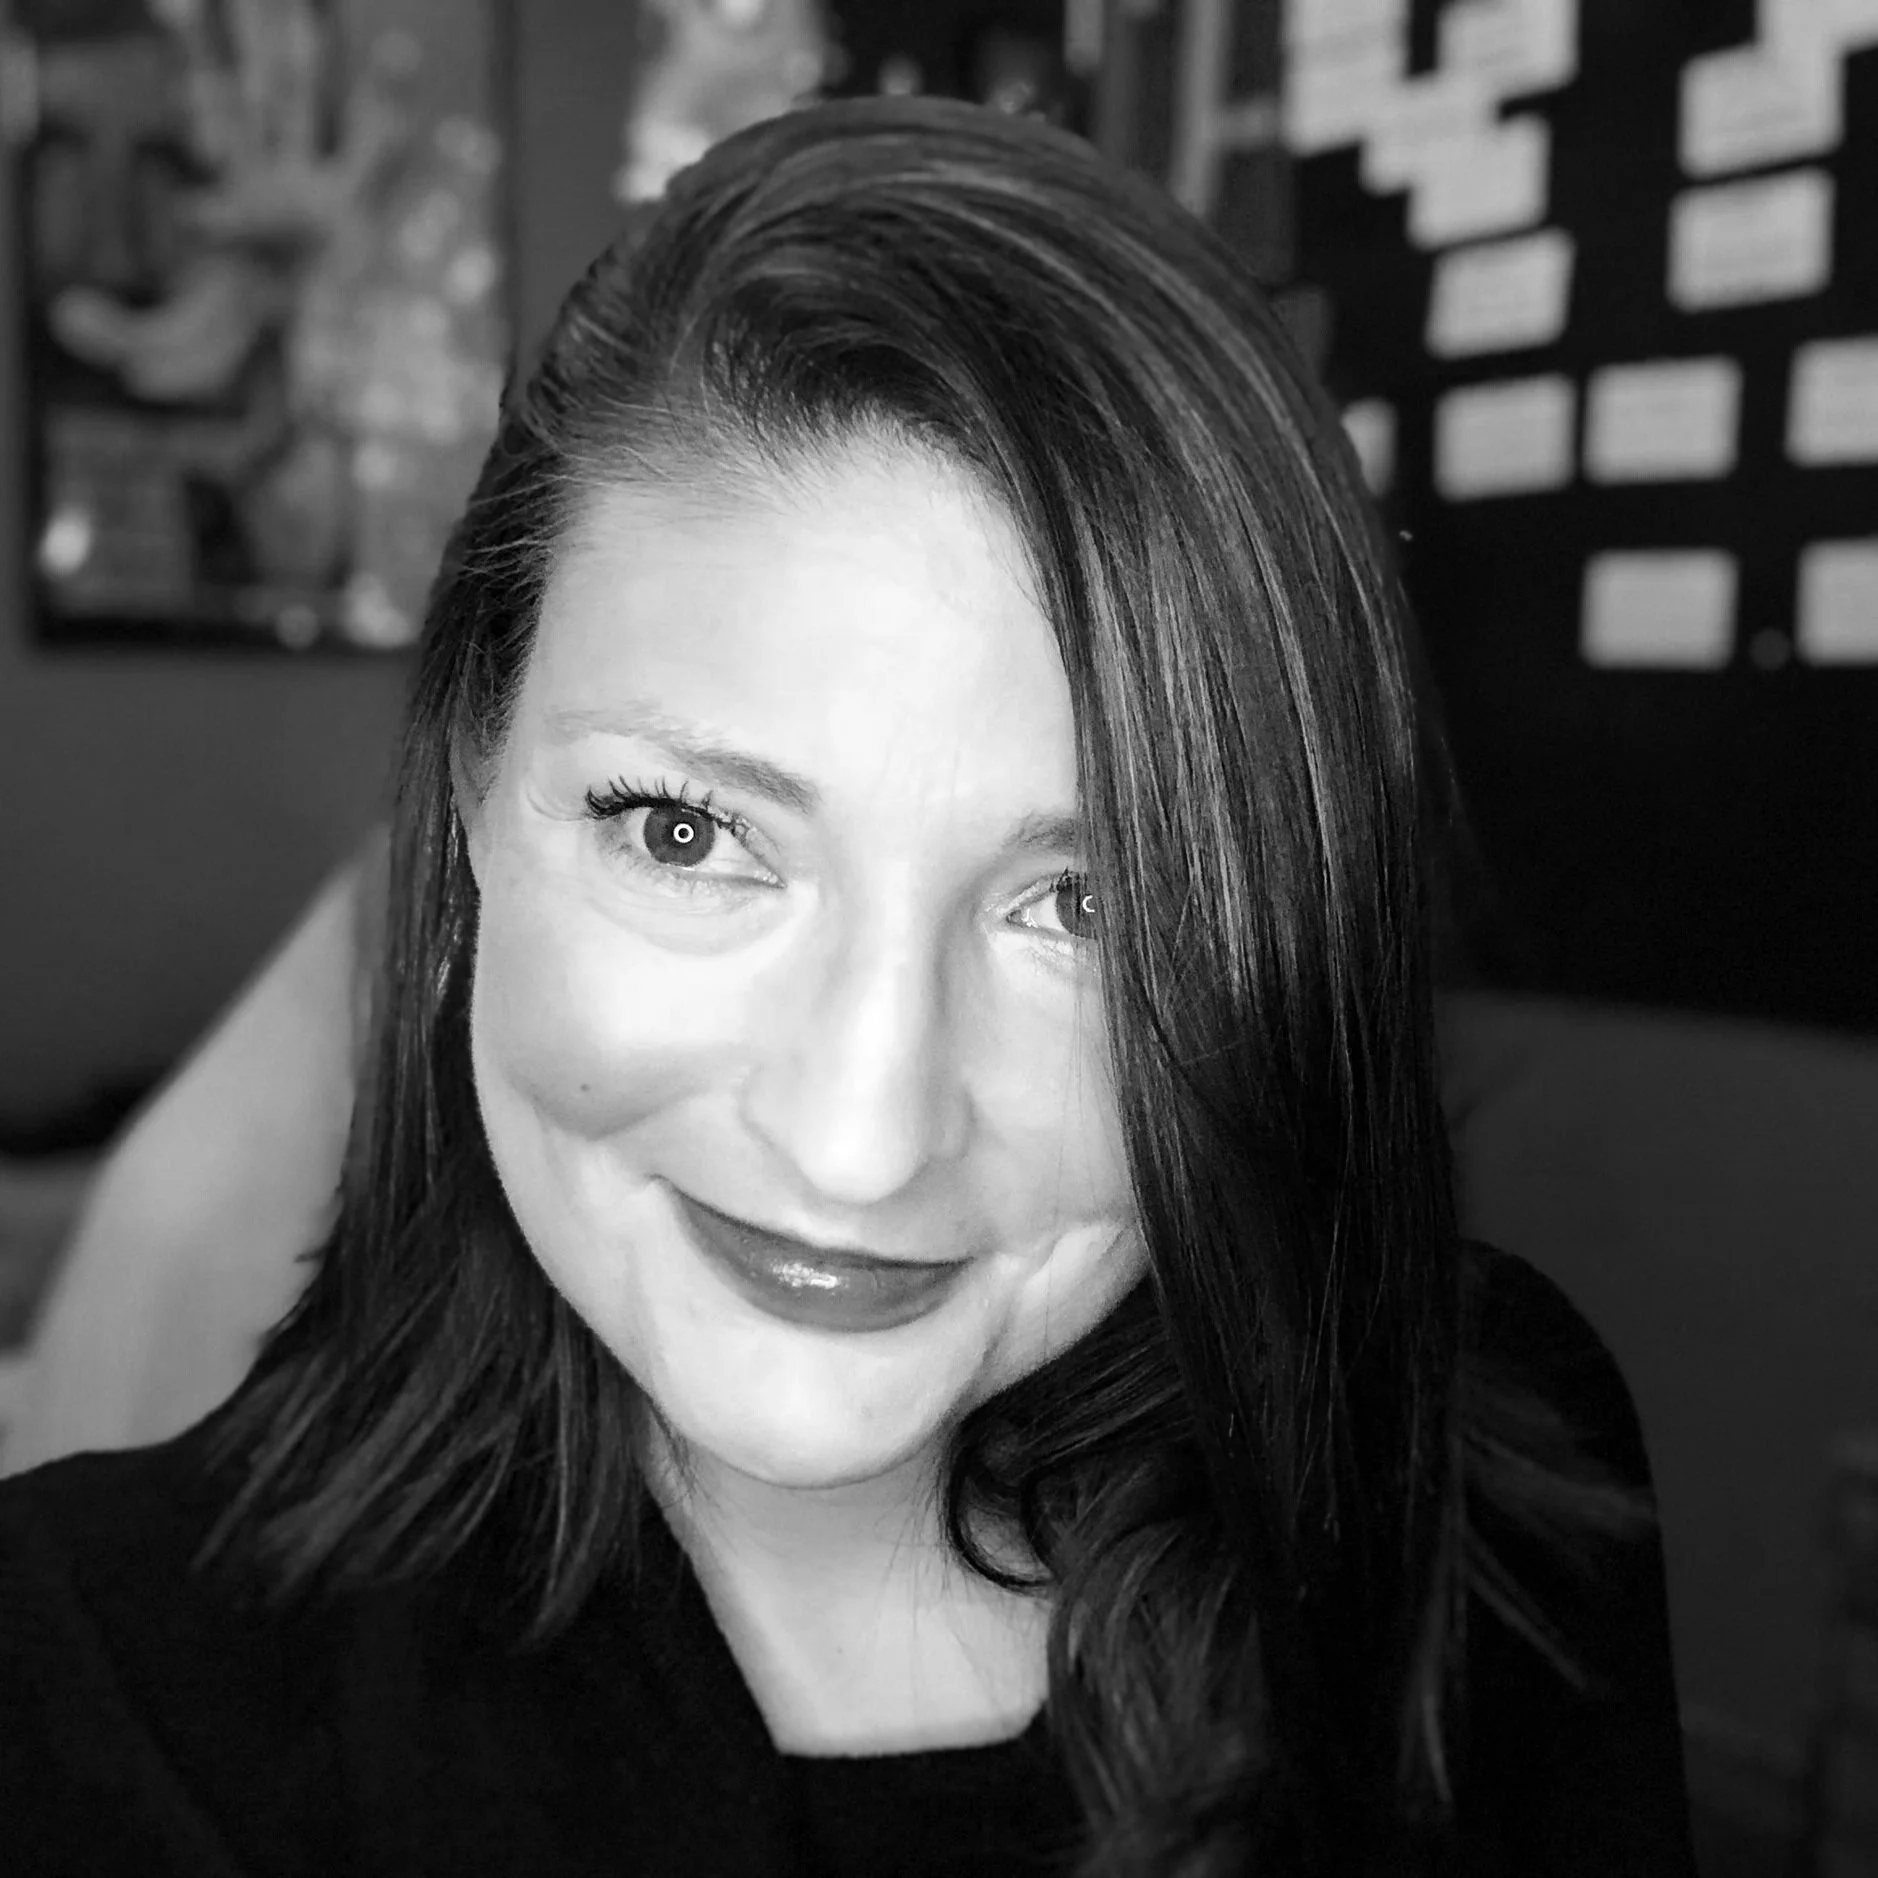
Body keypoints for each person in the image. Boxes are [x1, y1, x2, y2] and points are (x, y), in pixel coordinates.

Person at [0, 97, 1695, 1875]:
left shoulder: (1459, 1479)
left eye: (1092, 902)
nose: (860, 1137)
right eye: (684, 833)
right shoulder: (80, 1702)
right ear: (472, 799)